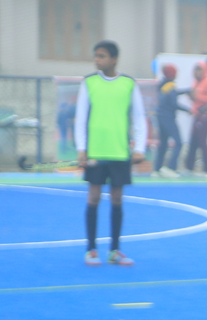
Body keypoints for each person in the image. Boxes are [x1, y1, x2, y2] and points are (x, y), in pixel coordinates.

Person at [75, 41, 146, 267]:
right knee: (93, 198)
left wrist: (139, 148)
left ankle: (115, 251)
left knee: (117, 199)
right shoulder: (89, 82)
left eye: (102, 56)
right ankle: (91, 250)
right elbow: (81, 118)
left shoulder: (128, 84)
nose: (97, 60)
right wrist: (82, 149)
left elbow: (139, 117)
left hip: (119, 153)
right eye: (96, 56)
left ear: (114, 59)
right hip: (96, 153)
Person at [154, 64, 190, 178]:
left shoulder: (163, 85)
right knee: (178, 143)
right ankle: (170, 168)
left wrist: (186, 91)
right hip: (168, 118)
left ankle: (157, 169)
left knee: (163, 144)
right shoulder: (171, 85)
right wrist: (188, 110)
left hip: (160, 116)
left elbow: (173, 93)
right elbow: (174, 103)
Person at [184, 61, 207, 175]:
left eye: (199, 70)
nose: (197, 73)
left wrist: (197, 96)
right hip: (196, 115)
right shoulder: (195, 82)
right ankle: (189, 167)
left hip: (204, 115)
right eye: (196, 70)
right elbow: (195, 99)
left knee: (202, 143)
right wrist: (191, 96)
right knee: (193, 142)